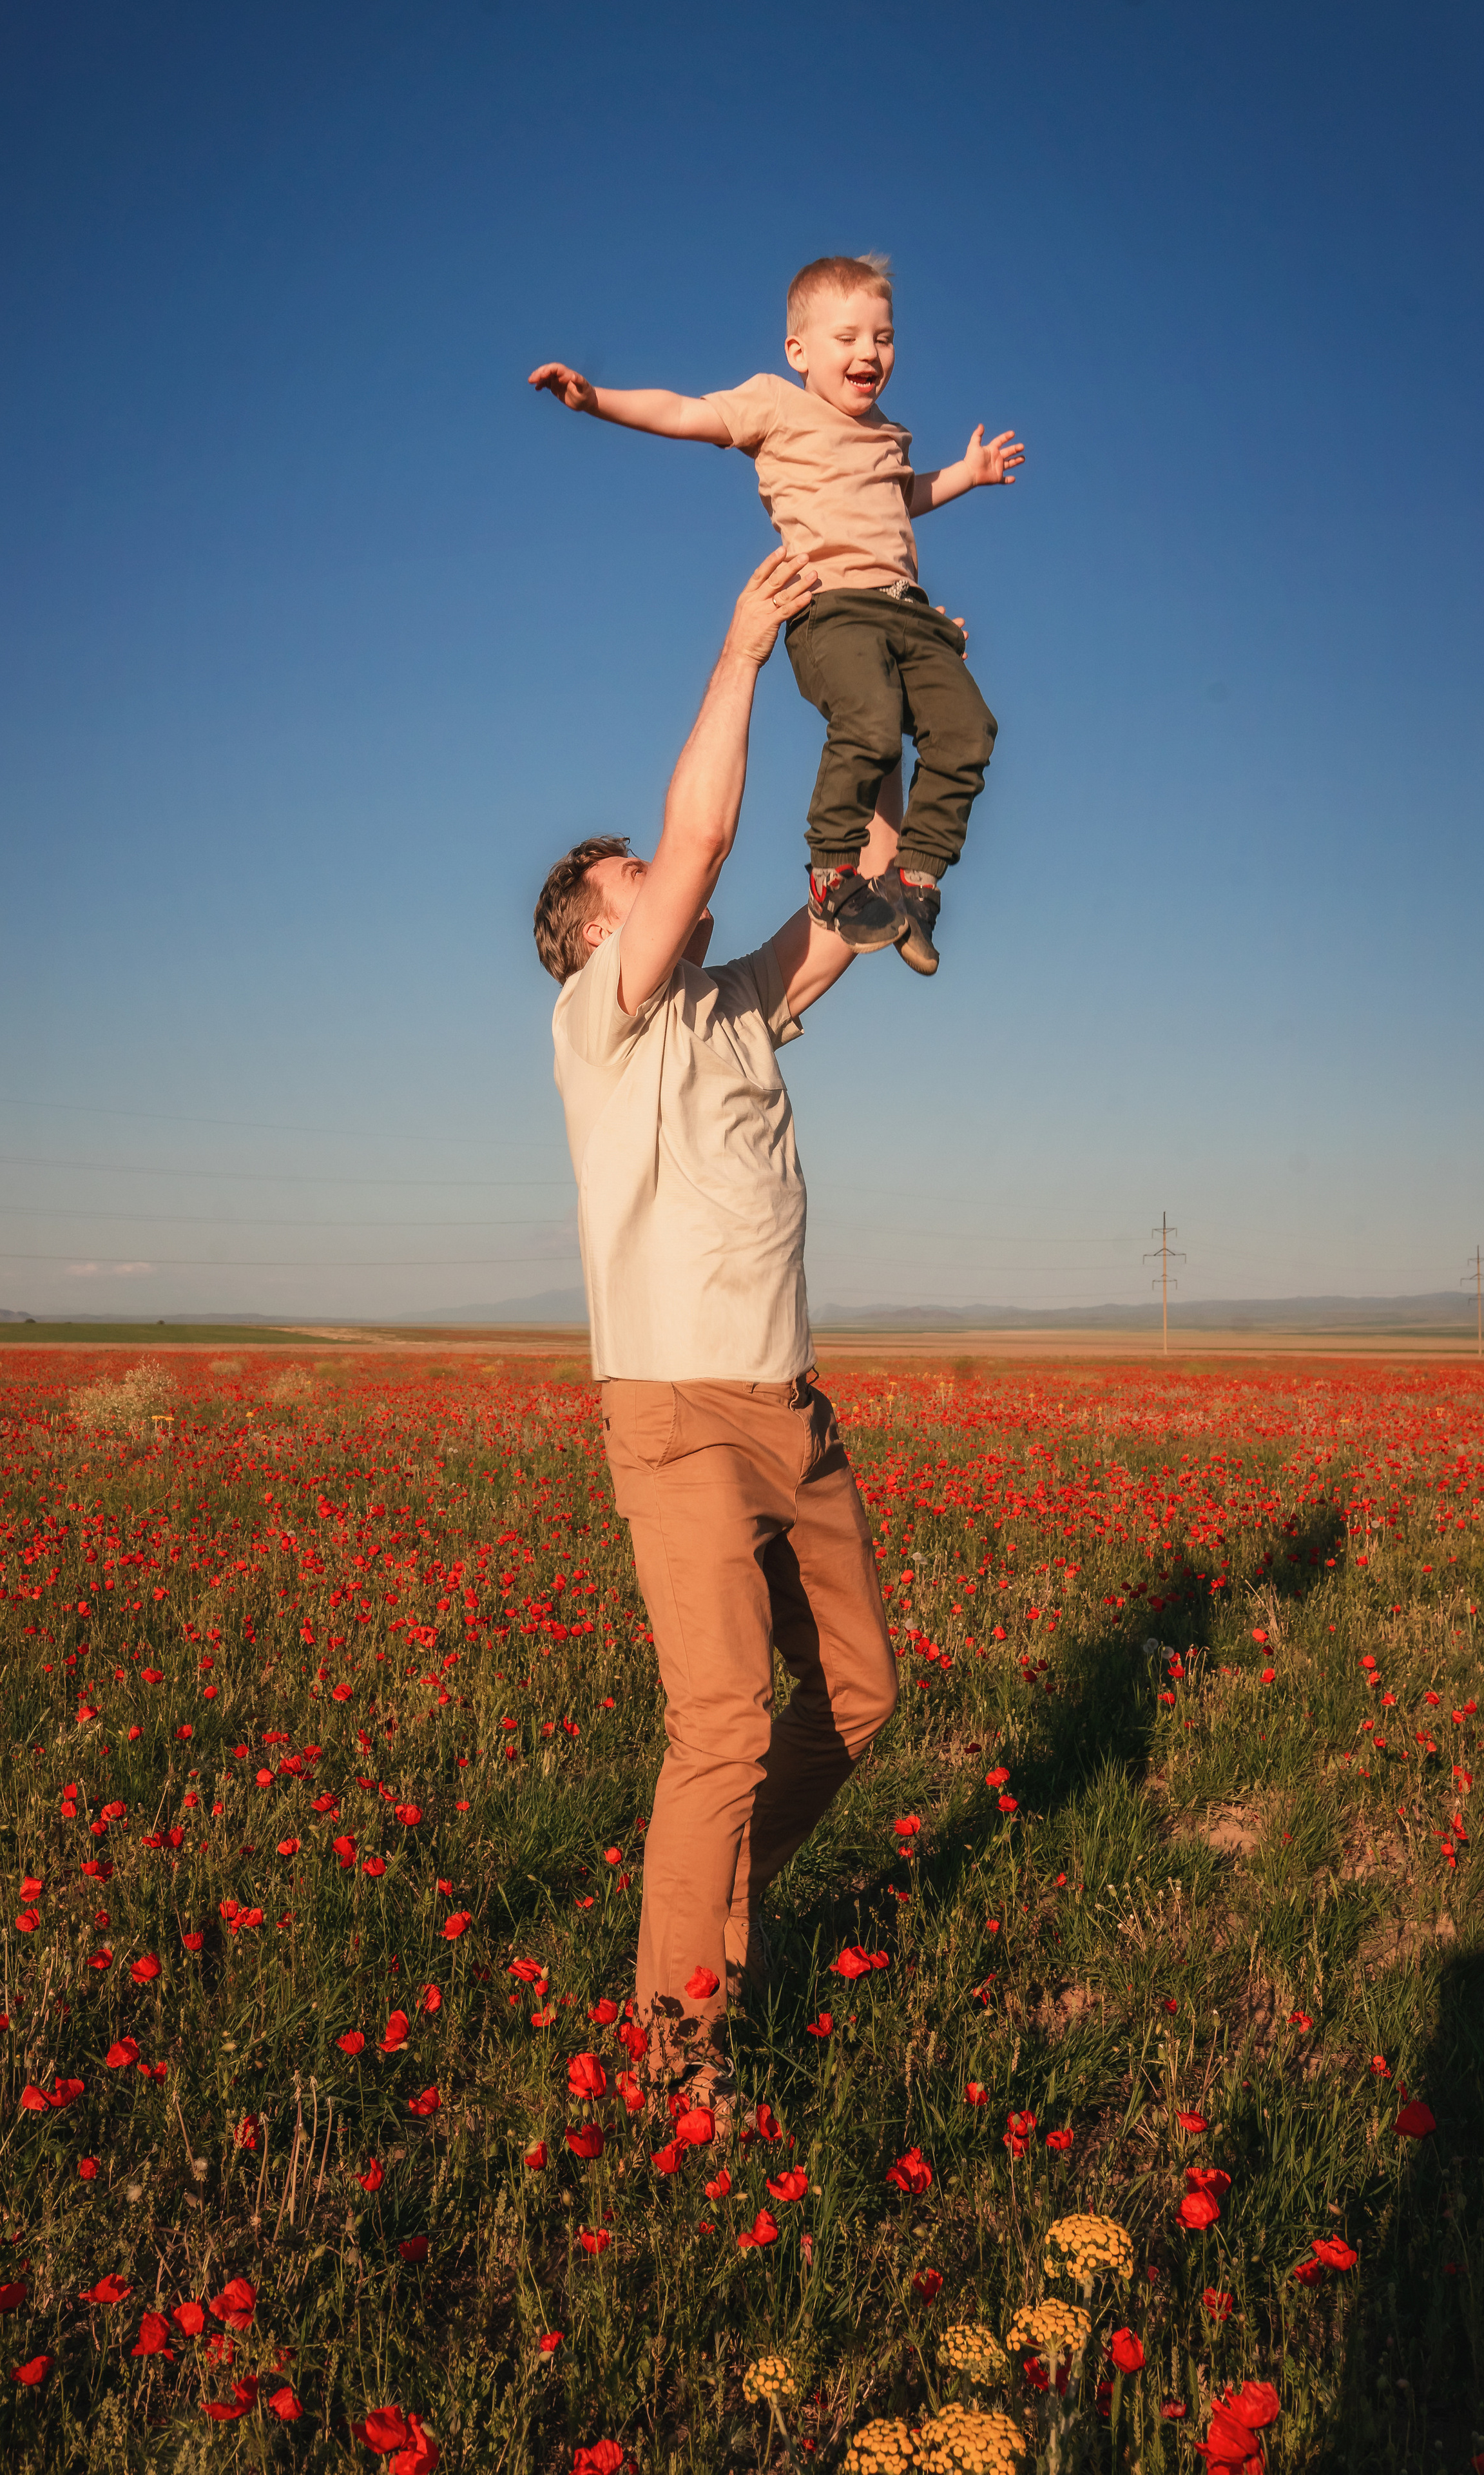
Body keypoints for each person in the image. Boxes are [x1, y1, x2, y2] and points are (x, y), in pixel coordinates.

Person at [532, 545, 900, 2111]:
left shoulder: (730, 1004)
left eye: (640, 866)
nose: (652, 871)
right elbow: (701, 835)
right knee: (722, 1722)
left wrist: (887, 715)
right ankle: (671, 2060)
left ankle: (705, 1895)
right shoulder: (599, 1019)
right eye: (621, 874)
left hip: (788, 1410)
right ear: (586, 931)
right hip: (676, 1411)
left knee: (864, 1695)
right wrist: (743, 650)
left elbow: (847, 913)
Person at [530, 251, 1022, 977]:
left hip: (908, 613)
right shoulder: (775, 404)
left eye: (882, 338)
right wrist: (596, 398)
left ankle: (916, 878)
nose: (869, 353)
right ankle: (833, 871)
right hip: (835, 611)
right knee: (871, 723)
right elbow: (683, 411)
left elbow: (899, 499)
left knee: (969, 730)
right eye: (847, 337)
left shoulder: (887, 435)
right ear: (798, 351)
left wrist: (965, 476)